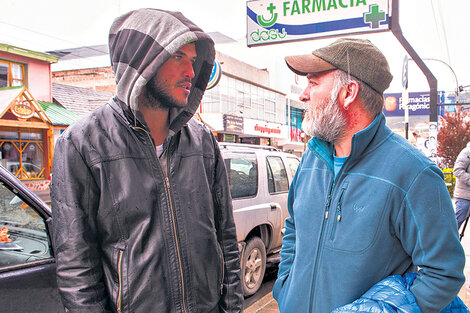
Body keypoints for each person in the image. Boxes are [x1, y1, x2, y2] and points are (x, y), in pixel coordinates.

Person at [51, 9, 243, 313]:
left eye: (193, 61)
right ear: (143, 62)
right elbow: (76, 267)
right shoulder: (81, 144)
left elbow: (226, 240)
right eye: (178, 57)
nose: (191, 73)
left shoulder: (203, 142)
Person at [273, 38, 465, 313]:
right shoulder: (311, 158)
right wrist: (285, 287)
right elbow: (294, 229)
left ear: (348, 92)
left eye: (313, 83)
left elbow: (443, 273)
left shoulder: (414, 174)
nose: (304, 95)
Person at [454, 142, 470, 229]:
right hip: (465, 196)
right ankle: (448, 242)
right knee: (457, 222)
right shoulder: (467, 152)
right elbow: (457, 170)